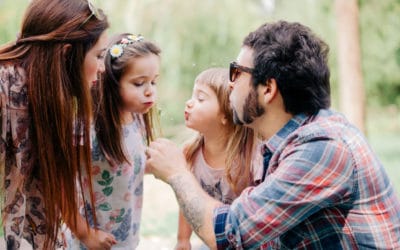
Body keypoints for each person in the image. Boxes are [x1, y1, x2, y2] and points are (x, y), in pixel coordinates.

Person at [145, 20, 400, 249]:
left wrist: (178, 173)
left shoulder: (322, 147)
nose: (230, 83)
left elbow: (229, 234)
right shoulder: (286, 142)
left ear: (268, 88)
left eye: (236, 72)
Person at [0, 0, 110, 249]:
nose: (103, 68)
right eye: (99, 56)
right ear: (67, 54)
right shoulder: (5, 90)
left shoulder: (44, 94)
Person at [64, 33, 161, 249]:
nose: (150, 90)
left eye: (154, 81)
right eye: (139, 83)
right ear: (111, 83)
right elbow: (61, 187)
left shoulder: (136, 119)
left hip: (125, 238)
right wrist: (86, 233)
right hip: (89, 241)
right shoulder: (87, 129)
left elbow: (122, 166)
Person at [175, 68, 262, 250]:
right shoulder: (190, 153)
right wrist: (183, 240)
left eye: (200, 99)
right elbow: (187, 200)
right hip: (212, 240)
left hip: (245, 240)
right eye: (192, 96)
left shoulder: (250, 157)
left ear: (225, 114)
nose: (189, 103)